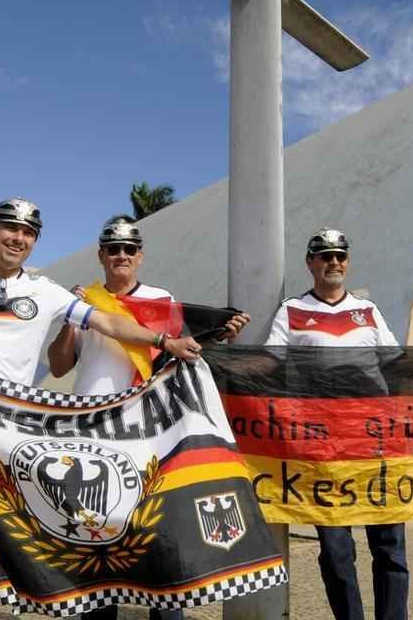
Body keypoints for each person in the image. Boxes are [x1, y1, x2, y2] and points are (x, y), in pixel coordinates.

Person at [0, 199, 204, 620]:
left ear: (35, 242)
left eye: (28, 233)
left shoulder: (46, 292)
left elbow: (109, 324)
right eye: (10, 228)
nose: (18, 238)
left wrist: (164, 343)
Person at [264, 228, 413, 620]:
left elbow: (398, 363)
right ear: (310, 263)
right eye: (325, 255)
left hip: (377, 442)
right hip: (322, 450)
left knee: (389, 547)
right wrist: (220, 354)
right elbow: (269, 365)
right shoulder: (291, 311)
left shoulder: (367, 311)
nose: (334, 262)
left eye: (340, 256)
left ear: (347, 263)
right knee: (336, 552)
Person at [46, 216, 250, 620]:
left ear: (140, 256)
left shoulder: (159, 299)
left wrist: (222, 327)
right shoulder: (82, 300)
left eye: (129, 249)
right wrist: (72, 317)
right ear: (101, 255)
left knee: (161, 536)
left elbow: (188, 342)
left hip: (149, 430)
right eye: (113, 248)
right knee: (98, 539)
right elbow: (56, 366)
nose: (121, 255)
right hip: (93, 432)